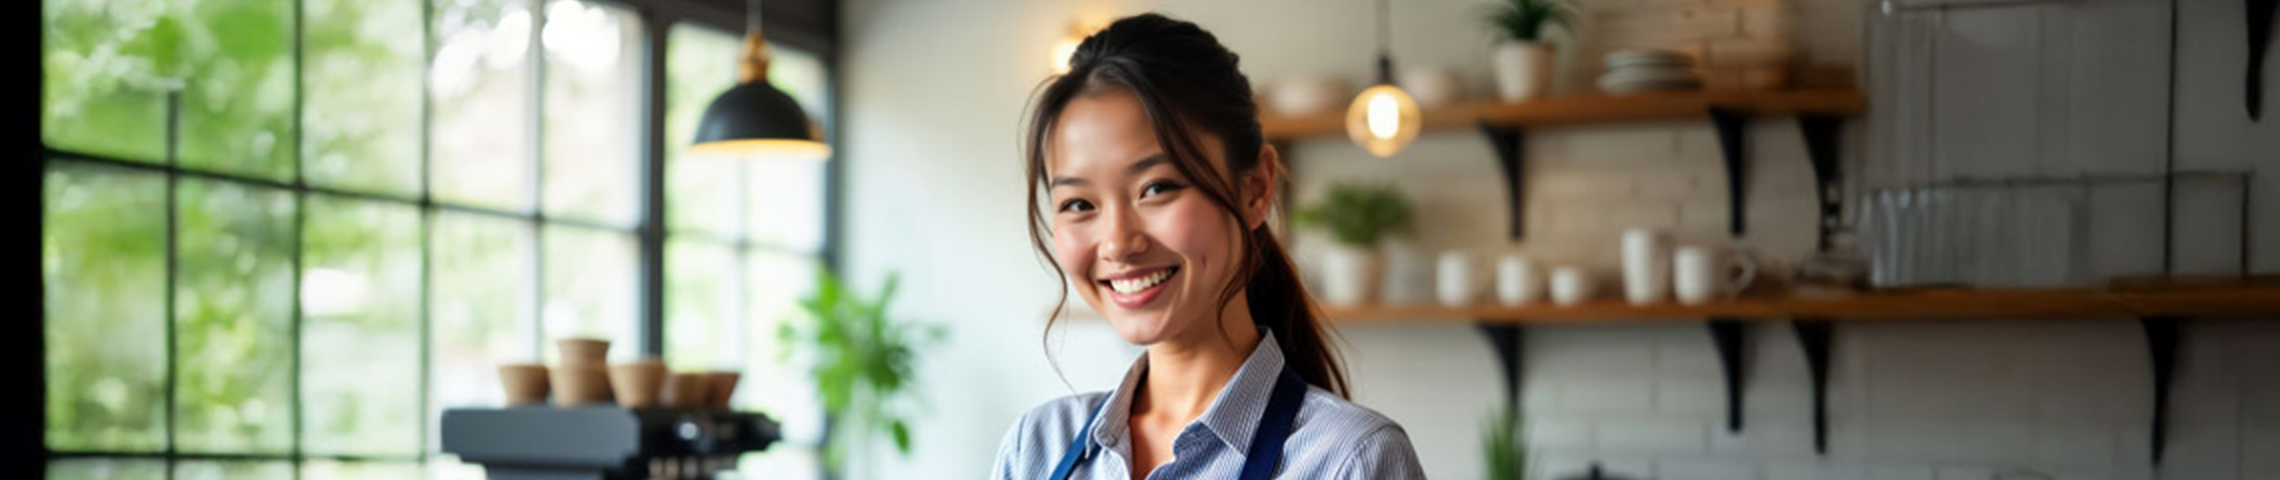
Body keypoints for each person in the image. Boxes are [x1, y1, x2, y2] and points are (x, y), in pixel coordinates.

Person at [992, 13, 1428, 480]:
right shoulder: (1037, 448)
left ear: (1256, 190)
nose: (1118, 243)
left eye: (1156, 188)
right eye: (1079, 203)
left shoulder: (1347, 460)